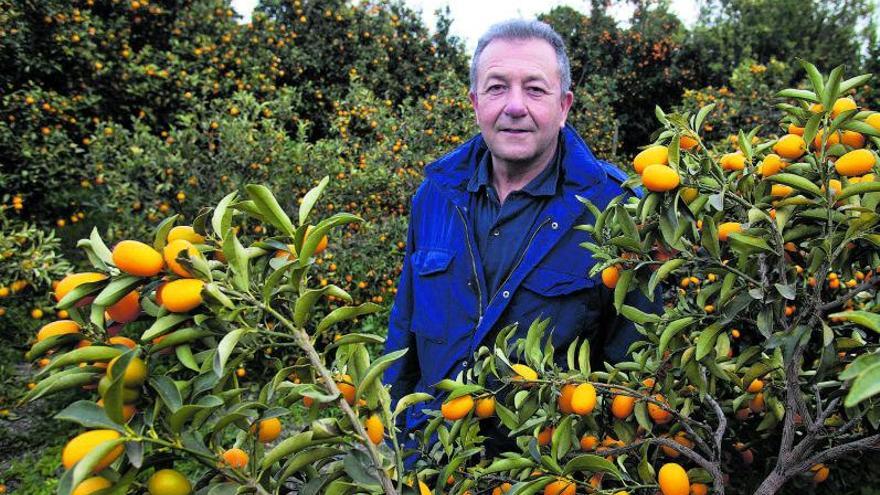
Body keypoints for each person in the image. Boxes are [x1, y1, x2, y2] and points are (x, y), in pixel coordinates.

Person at [383, 19, 661, 452]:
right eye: (496, 88)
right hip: (431, 459)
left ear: (564, 105)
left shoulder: (618, 208)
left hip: (544, 471)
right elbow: (404, 331)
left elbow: (636, 370)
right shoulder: (435, 196)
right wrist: (392, 443)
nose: (514, 106)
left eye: (535, 89)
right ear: (475, 102)